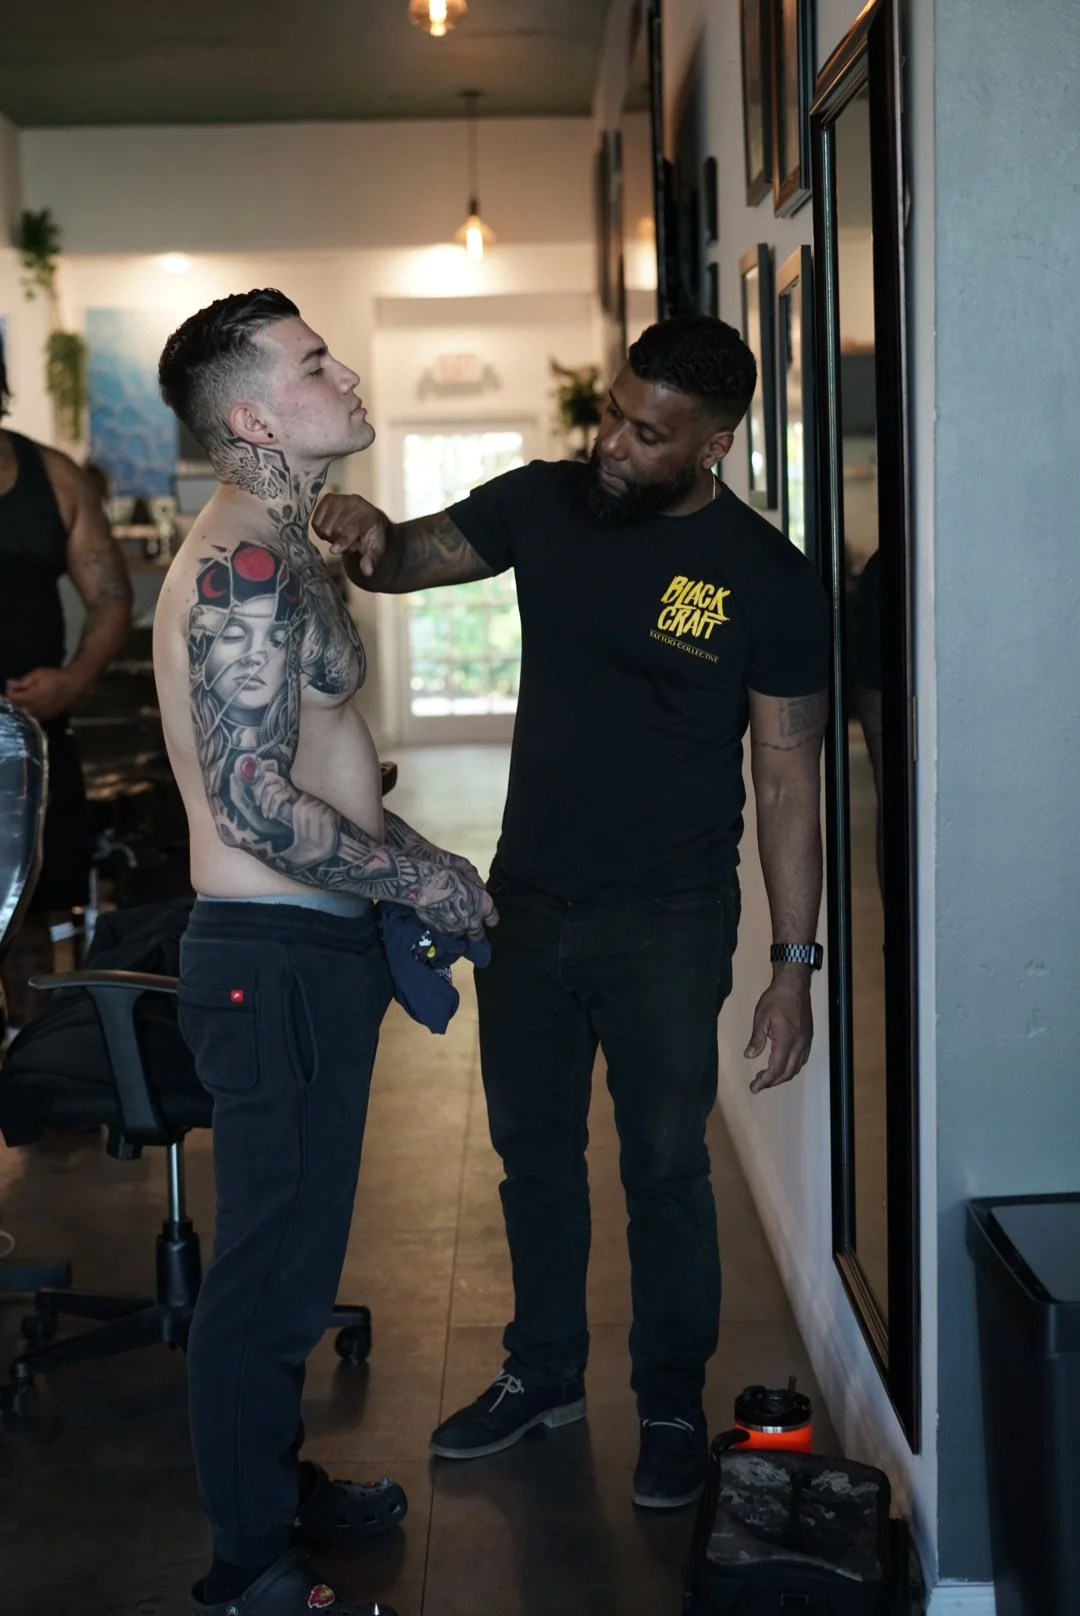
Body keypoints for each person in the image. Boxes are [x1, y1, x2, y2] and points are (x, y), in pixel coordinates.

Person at [313, 315, 831, 1513]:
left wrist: (795, 961)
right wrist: (361, 529)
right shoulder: (543, 502)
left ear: (717, 443)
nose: (614, 442)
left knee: (663, 1167)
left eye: (649, 433)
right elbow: (405, 559)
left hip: (670, 914)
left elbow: (789, 772)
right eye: (613, 411)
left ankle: (666, 1403)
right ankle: (541, 1372)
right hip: (529, 902)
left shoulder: (767, 577)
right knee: (531, 1154)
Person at [154, 289, 495, 1616]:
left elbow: (313, 770)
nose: (343, 372)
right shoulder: (240, 558)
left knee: (297, 1257)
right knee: (269, 1275)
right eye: (311, 364)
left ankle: (276, 1487)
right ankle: (248, 1563)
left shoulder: (282, 549)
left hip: (310, 951)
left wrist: (404, 852)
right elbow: (252, 806)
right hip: (271, 957)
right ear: (250, 416)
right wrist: (424, 868)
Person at [0, 330, 133, 1018]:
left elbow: (111, 594)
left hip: (40, 734)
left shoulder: (52, 477)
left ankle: (46, 1049)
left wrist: (75, 680)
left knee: (52, 902)